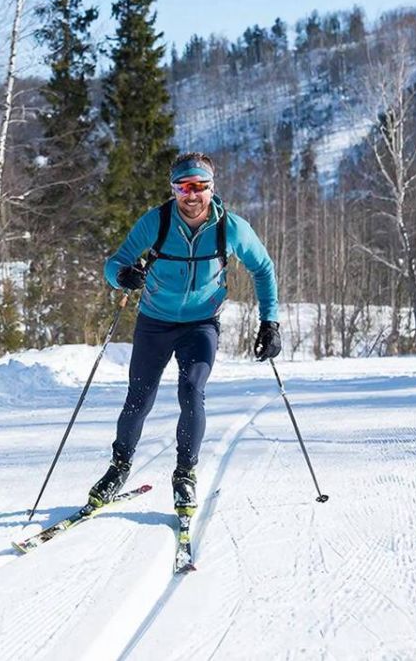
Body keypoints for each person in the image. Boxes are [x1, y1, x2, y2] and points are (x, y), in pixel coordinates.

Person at [89, 152, 281, 517]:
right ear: (173, 189)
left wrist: (269, 322)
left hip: (201, 324)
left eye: (199, 187)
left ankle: (184, 473)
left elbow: (263, 268)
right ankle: (118, 468)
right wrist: (122, 276)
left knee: (192, 390)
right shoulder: (156, 222)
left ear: (211, 188)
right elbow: (115, 262)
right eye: (182, 187)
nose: (191, 195)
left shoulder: (232, 228)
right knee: (139, 397)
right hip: (154, 321)